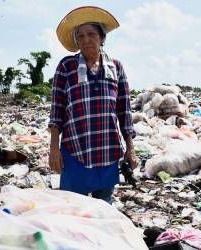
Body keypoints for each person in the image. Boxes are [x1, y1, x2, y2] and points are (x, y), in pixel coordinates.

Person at [48, 6, 137, 204]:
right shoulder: (67, 66)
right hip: (75, 150)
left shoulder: (116, 67)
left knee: (103, 207)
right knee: (72, 207)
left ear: (102, 38)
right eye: (80, 36)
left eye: (91, 34)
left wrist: (130, 148)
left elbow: (124, 111)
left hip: (108, 150)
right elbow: (57, 112)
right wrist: (54, 149)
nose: (86, 40)